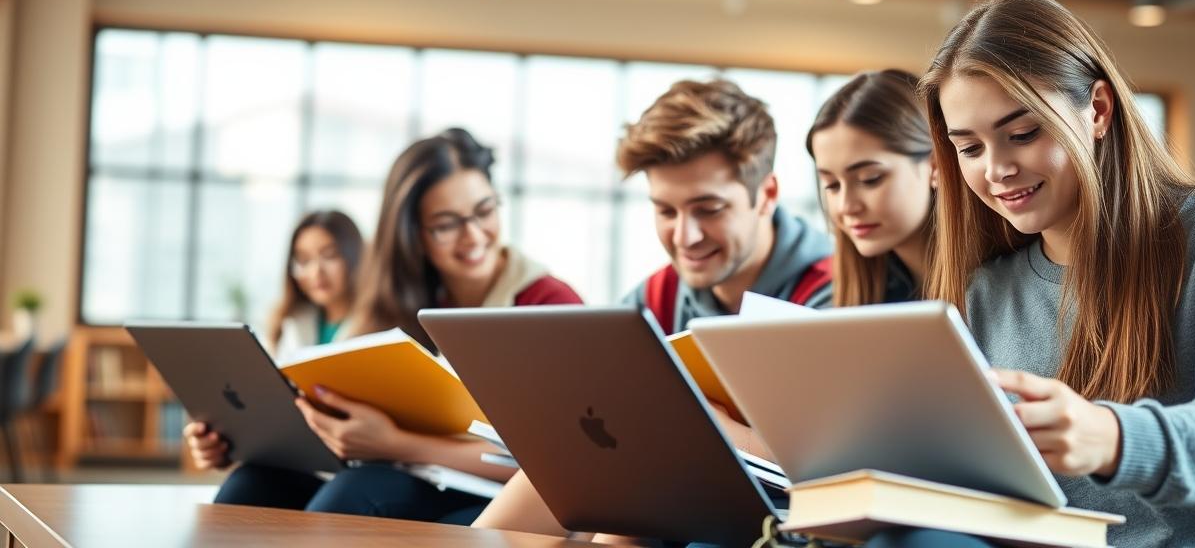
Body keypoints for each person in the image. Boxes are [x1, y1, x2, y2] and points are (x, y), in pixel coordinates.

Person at [868, 0, 1195, 548]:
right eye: (969, 149)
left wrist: (1111, 438)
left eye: (1022, 133)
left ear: (1096, 110)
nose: (997, 169)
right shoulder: (986, 294)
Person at [474, 78, 836, 538]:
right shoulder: (659, 295)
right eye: (666, 211)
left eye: (709, 209)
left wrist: (700, 425)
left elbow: (827, 466)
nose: (685, 237)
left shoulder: (832, 294)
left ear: (765, 195)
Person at [187, 128, 582, 525]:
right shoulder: (398, 303)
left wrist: (399, 444)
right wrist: (240, 442)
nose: (473, 235)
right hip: (400, 474)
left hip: (494, 495)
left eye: (484, 211)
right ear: (414, 235)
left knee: (355, 497)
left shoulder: (548, 305)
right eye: (446, 224)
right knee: (253, 485)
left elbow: (570, 468)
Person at [806, 69, 934, 304]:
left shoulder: (1006, 284)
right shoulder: (846, 292)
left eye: (870, 179)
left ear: (935, 167)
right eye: (832, 185)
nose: (846, 206)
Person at [264, 209, 363, 361]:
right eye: (304, 260)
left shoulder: (375, 324)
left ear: (354, 256)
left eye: (330, 255)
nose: (316, 272)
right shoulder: (290, 324)